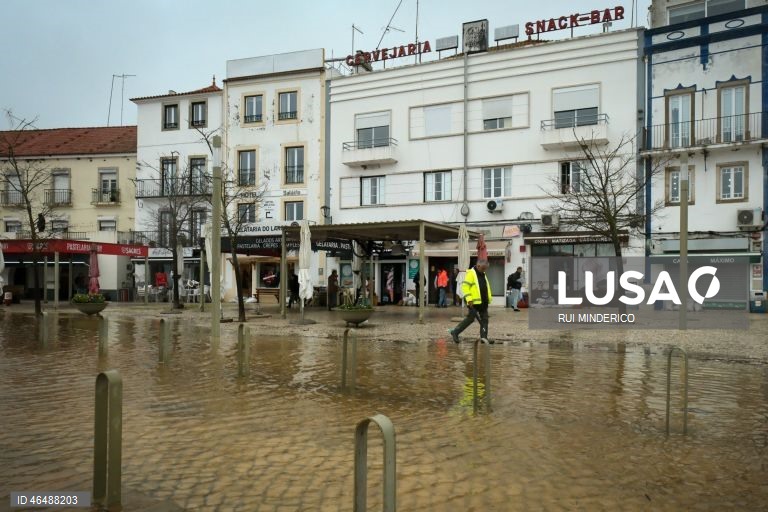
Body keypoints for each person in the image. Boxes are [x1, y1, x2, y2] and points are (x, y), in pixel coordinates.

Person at [449, 259, 493, 344]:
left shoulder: (483, 274)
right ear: (478, 266)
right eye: (483, 268)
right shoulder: (471, 273)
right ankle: (455, 332)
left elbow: (485, 286)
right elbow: (465, 287)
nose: (484, 270)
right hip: (474, 302)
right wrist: (469, 300)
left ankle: (484, 338)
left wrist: (488, 298)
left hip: (483, 301)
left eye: (485, 268)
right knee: (470, 319)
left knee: (484, 319)